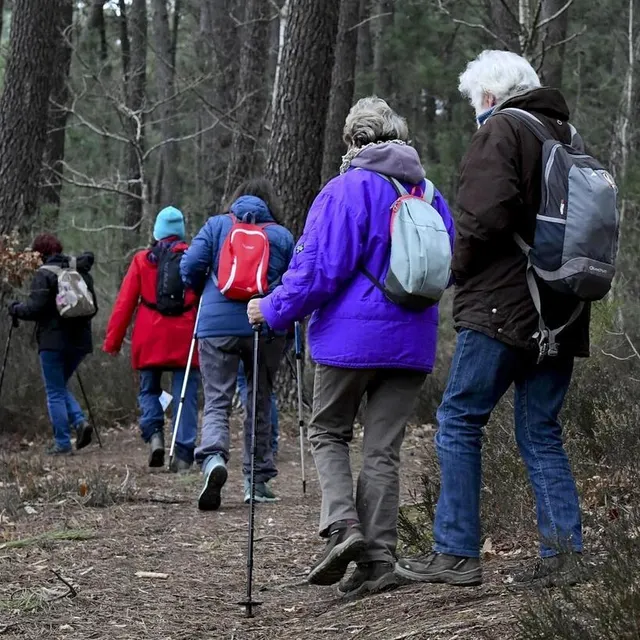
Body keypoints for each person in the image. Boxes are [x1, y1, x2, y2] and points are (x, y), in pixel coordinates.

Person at [247, 97, 455, 599]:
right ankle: (379, 560)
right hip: (412, 341)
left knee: (329, 431)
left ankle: (344, 528)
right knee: (383, 448)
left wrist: (271, 308)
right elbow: (448, 266)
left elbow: (316, 271)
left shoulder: (345, 189)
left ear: (352, 141)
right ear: (398, 135)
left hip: (349, 340)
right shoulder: (429, 193)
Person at [395, 50, 588, 589]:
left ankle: (456, 551)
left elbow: (483, 216)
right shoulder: (569, 137)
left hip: (503, 305)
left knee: (459, 418)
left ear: (487, 95)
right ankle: (564, 554)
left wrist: (449, 271)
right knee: (539, 429)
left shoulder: (502, 129)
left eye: (472, 101)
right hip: (564, 309)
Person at [180, 178, 294, 510]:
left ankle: (214, 459)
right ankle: (256, 481)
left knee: (217, 399)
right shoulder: (282, 236)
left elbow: (189, 266)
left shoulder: (217, 226)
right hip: (265, 323)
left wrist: (202, 286)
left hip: (216, 326)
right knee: (259, 398)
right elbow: (294, 281)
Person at [103, 207, 200, 473]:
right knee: (186, 393)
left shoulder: (142, 260)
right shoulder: (194, 258)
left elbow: (125, 303)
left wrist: (113, 341)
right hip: (184, 336)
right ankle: (183, 453)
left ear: (156, 232)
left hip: (150, 335)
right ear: (181, 231)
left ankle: (155, 432)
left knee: (149, 389)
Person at [8, 233, 97, 455]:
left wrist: (15, 308)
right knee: (59, 387)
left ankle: (63, 443)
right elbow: (91, 307)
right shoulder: (80, 271)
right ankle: (79, 422)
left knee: (55, 391)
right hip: (80, 343)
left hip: (52, 343)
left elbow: (35, 309)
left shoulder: (44, 274)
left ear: (41, 253)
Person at [236, 361, 279, 457]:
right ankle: (270, 443)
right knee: (267, 390)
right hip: (268, 350)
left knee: (245, 384)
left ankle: (253, 441)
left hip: (242, 350)